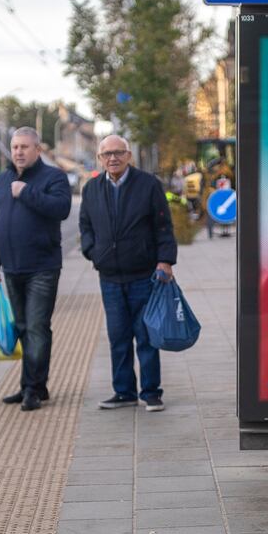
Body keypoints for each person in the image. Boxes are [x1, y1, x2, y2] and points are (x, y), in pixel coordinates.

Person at [79, 134, 177, 412]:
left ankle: (150, 392)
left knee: (146, 336)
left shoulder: (148, 185)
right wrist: (92, 251)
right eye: (106, 154)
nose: (113, 158)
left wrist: (165, 261)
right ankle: (123, 392)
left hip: (144, 274)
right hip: (109, 276)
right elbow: (85, 225)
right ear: (100, 159)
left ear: (129, 155)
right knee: (118, 336)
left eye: (118, 152)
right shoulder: (92, 188)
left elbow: (163, 227)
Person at [0, 126, 72, 412]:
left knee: (37, 327)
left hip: (42, 267)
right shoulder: (2, 180)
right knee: (23, 327)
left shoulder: (54, 177)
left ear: (37, 150)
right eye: (15, 147)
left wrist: (26, 193)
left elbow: (61, 209)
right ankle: (31, 385)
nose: (19, 152)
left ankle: (34, 388)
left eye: (25, 147)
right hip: (11, 266)